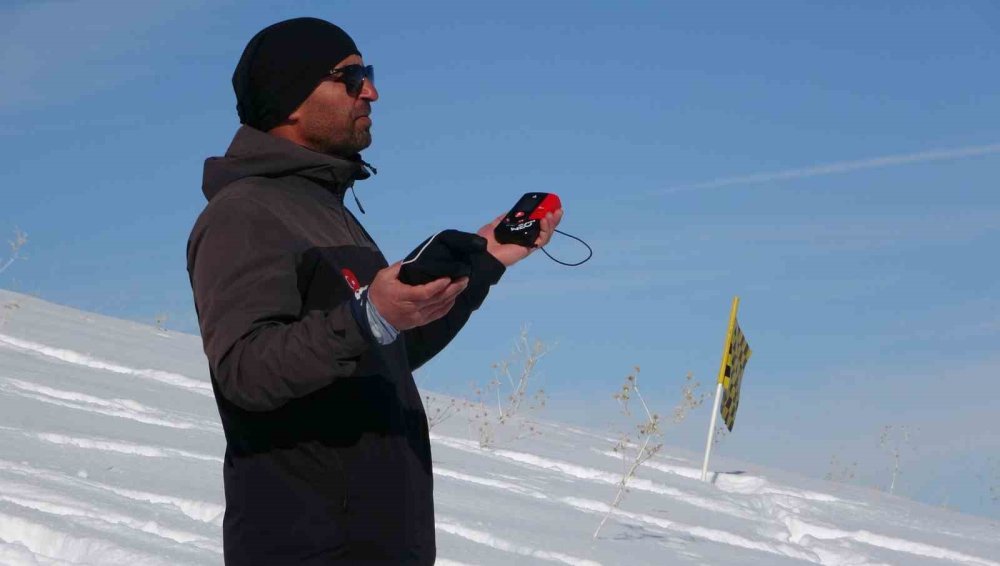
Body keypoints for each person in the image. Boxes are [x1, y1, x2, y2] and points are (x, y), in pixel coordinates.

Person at [186, 17, 562, 564]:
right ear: (290, 98)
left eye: (369, 73)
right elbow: (246, 370)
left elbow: (387, 349)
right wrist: (369, 316)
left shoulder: (328, 213)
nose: (372, 90)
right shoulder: (245, 213)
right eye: (351, 75)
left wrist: (487, 261)